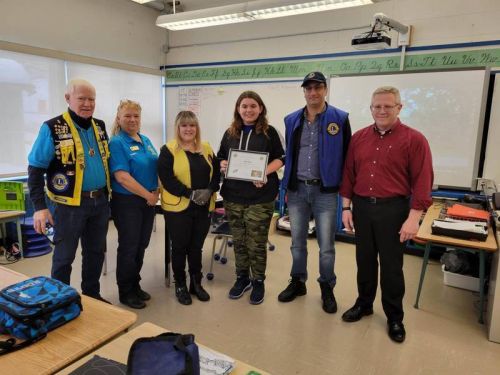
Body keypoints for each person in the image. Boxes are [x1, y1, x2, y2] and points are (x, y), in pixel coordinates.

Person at [339, 86, 434, 343]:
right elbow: (349, 174)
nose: (381, 110)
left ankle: (394, 317)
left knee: (392, 267)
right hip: (362, 208)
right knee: (365, 261)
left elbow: (423, 181)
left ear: (399, 108)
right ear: (371, 108)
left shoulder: (415, 140)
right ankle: (364, 304)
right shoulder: (358, 138)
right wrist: (346, 208)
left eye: (387, 106)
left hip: (394, 211)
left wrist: (414, 218)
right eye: (376, 106)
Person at [27, 78, 110, 302]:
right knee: (64, 257)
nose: (87, 103)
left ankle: (92, 295)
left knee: (94, 253)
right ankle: (60, 301)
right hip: (66, 207)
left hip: (99, 202)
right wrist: (39, 208)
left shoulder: (100, 126)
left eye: (91, 99)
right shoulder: (52, 127)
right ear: (68, 98)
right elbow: (35, 169)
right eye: (81, 98)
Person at [278, 72, 351, 314]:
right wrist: (287, 187)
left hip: (325, 192)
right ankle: (298, 282)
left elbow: (348, 157)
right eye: (308, 88)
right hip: (298, 190)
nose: (313, 93)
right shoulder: (291, 120)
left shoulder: (339, 119)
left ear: (325, 90)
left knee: (326, 246)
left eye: (318, 88)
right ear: (304, 92)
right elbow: (290, 154)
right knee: (297, 243)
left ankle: (327, 286)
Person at [218, 91, 284, 305]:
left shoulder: (269, 132)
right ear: (238, 109)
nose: (248, 110)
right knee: (238, 241)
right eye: (244, 106)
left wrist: (265, 172)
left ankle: (258, 281)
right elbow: (220, 156)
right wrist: (222, 164)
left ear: (261, 108)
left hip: (260, 197)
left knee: (256, 243)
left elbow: (281, 158)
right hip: (233, 196)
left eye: (253, 106)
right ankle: (242, 278)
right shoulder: (230, 133)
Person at [158, 111, 220, 305]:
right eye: (184, 125)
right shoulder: (168, 150)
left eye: (192, 125)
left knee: (196, 247)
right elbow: (167, 179)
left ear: (197, 128)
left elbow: (216, 173)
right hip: (179, 208)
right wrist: (191, 193)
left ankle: (196, 283)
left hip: (203, 207)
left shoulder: (207, 148)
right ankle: (180, 285)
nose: (188, 129)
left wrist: (210, 190)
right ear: (178, 128)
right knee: (179, 247)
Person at [108, 100, 159, 309]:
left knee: (142, 244)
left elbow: (155, 167)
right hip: (127, 201)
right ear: (119, 118)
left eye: (136, 116)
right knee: (129, 247)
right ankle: (125, 291)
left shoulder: (145, 140)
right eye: (127, 116)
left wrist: (156, 191)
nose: (132, 120)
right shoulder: (117, 142)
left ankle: (135, 284)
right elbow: (122, 177)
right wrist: (148, 194)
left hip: (147, 199)